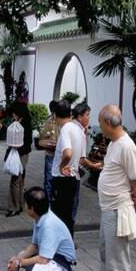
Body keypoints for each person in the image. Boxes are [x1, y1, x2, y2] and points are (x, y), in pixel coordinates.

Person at [88, 105, 136, 271]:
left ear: (108, 123)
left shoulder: (127, 146)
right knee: (106, 258)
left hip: (118, 210)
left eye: (100, 122)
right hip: (108, 210)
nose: (99, 126)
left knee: (117, 264)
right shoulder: (113, 143)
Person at [7, 187, 76, 271]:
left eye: (26, 203)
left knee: (34, 268)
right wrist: (18, 258)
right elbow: (35, 246)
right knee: (31, 265)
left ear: (31, 208)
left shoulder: (48, 225)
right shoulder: (40, 217)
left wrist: (19, 264)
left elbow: (43, 259)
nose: (24, 205)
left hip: (62, 265)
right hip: (52, 257)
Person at [51, 99, 85, 237]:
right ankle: (68, 243)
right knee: (68, 214)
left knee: (59, 215)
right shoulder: (77, 129)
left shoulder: (65, 129)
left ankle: (62, 246)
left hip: (62, 178)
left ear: (55, 115)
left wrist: (61, 166)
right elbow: (81, 156)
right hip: (72, 177)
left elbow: (68, 152)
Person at [71, 103, 103, 221]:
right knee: (72, 207)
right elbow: (81, 159)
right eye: (87, 115)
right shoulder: (78, 132)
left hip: (66, 172)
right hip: (73, 174)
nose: (89, 118)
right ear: (80, 117)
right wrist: (94, 165)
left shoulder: (70, 127)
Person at [5, 102, 32, 217]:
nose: (13, 116)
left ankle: (14, 207)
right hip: (23, 154)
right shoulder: (22, 123)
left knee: (15, 181)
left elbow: (24, 142)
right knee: (20, 180)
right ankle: (20, 204)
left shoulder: (23, 125)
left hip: (20, 154)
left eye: (14, 113)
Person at [38, 100, 59, 203]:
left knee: (49, 180)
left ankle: (49, 203)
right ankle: (50, 202)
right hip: (56, 154)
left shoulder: (49, 120)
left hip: (51, 154)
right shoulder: (58, 121)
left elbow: (41, 137)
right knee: (52, 180)